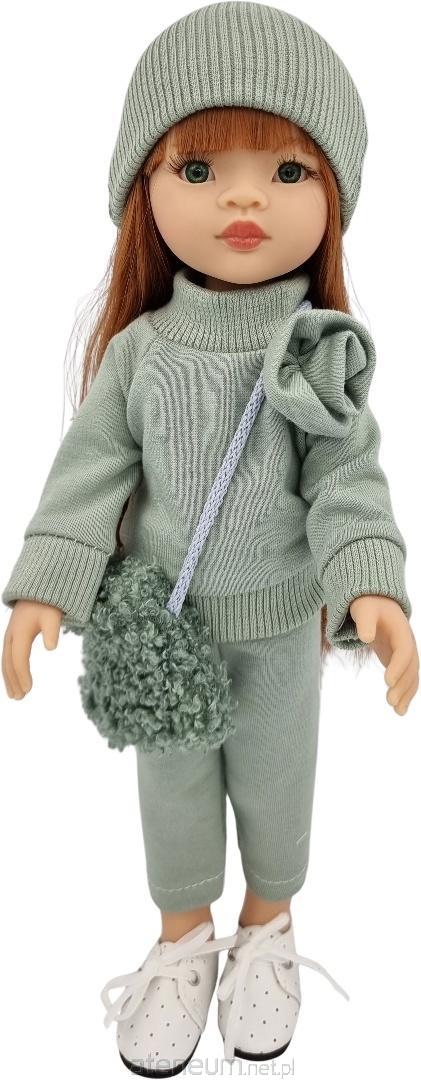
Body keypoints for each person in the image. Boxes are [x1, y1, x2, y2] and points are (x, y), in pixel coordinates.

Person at [1, 3, 418, 1075]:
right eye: (199, 169)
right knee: (173, 794)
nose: (242, 197)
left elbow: (346, 476)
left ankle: (268, 926)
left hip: (280, 630)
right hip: (166, 628)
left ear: (334, 198)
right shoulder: (141, 353)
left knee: (277, 786)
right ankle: (183, 939)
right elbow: (91, 470)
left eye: (287, 171)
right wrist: (49, 581)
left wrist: (369, 583)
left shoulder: (315, 351)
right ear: (142, 190)